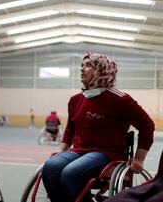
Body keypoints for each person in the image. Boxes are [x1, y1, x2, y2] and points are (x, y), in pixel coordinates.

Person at [41, 52, 155, 202]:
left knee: (71, 173)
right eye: (82, 65)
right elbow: (70, 127)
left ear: (102, 70)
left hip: (108, 153)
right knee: (49, 168)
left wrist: (139, 158)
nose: (82, 69)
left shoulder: (121, 100)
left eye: (88, 65)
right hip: (79, 150)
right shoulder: (76, 99)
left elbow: (147, 125)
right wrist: (62, 148)